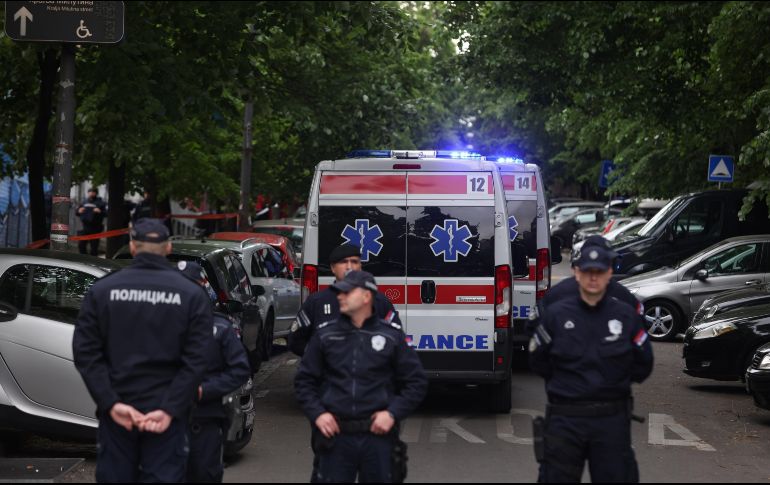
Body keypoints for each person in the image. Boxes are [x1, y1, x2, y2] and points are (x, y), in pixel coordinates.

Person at [72, 218, 212, 482]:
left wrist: (111, 403)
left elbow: (85, 352)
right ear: (169, 248)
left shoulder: (103, 291)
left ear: (132, 247)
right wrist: (170, 408)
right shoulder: (191, 295)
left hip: (119, 412)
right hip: (166, 416)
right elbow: (198, 359)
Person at [528, 243, 654, 483]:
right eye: (587, 271)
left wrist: (613, 385)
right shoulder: (556, 315)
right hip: (566, 419)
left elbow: (643, 364)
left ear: (609, 273)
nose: (593, 278)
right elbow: (538, 360)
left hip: (611, 421)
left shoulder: (625, 316)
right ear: (576, 272)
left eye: (599, 271)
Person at [294, 270, 428, 483]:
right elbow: (304, 381)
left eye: (347, 292)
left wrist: (392, 414)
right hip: (336, 437)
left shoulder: (390, 336)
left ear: (367, 296)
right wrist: (318, 413)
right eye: (339, 292)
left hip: (378, 438)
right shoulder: (325, 335)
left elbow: (416, 382)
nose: (340, 296)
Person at [177, 261, 251, 483]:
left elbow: (239, 369)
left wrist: (204, 390)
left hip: (205, 420)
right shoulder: (160, 324)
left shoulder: (220, 328)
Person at [289, 243, 401, 357]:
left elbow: (397, 339)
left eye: (354, 262)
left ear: (360, 266)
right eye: (343, 262)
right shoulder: (316, 302)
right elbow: (296, 341)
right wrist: (321, 359)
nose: (349, 267)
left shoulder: (380, 302)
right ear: (333, 268)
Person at [76, 188, 106, 256]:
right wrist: (79, 211)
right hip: (85, 228)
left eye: (93, 192)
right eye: (90, 192)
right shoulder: (84, 202)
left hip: (95, 228)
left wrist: (99, 211)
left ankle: (92, 262)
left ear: (96, 193)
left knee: (94, 248)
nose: (91, 193)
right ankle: (84, 259)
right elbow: (77, 212)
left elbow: (106, 213)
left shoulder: (101, 203)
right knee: (81, 245)